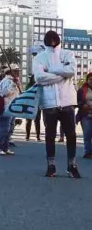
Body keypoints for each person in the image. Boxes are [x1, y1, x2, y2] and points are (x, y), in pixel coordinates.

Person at [33, 30, 80, 178]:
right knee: (50, 135)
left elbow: (71, 71)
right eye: (50, 39)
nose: (53, 41)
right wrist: (62, 75)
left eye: (55, 38)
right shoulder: (39, 57)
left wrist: (51, 71)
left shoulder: (68, 54)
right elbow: (39, 77)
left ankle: (72, 165)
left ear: (58, 39)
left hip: (67, 101)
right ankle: (51, 165)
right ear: (46, 40)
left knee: (71, 135)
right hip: (48, 102)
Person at [0, 64, 21, 155]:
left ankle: (5, 147)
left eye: (18, 71)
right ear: (10, 72)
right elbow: (4, 93)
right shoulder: (6, 81)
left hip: (13, 108)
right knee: (4, 129)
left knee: (10, 129)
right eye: (16, 71)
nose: (18, 72)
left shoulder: (14, 81)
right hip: (6, 107)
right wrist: (13, 85)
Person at [76, 72, 92, 159]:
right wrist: (83, 105)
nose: (91, 81)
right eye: (90, 79)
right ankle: (88, 152)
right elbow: (77, 102)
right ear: (87, 80)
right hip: (86, 115)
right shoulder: (82, 90)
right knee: (87, 134)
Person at [25, 75, 42, 141]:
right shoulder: (36, 86)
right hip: (33, 105)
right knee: (34, 121)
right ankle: (34, 136)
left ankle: (31, 136)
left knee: (32, 121)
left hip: (32, 105)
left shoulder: (30, 86)